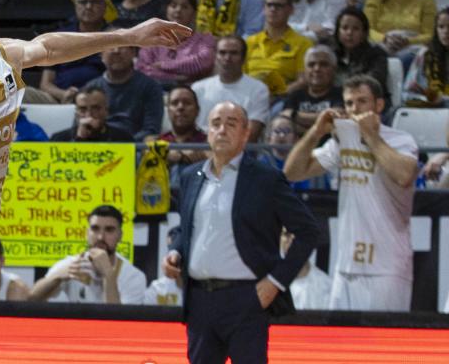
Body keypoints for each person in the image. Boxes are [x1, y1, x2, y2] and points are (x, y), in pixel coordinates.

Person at [163, 102, 318, 364]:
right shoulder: (190, 176)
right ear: (207, 132)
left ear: (246, 133)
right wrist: (176, 250)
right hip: (199, 299)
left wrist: (276, 282)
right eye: (215, 124)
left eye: (231, 124)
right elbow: (187, 228)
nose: (222, 130)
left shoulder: (265, 179)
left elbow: (308, 231)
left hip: (246, 298)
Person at [284, 76, 418, 311]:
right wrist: (316, 132)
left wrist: (371, 136)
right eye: (349, 103)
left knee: (385, 343)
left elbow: (404, 175)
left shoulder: (401, 140)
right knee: (342, 343)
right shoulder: (342, 142)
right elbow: (292, 172)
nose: (355, 109)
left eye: (362, 101)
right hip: (345, 265)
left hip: (386, 267)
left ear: (379, 105)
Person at [30, 205, 146, 305]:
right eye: (95, 229)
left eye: (109, 230)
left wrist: (109, 275)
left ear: (120, 236)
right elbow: (31, 300)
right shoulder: (73, 265)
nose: (100, 237)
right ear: (87, 233)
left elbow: (119, 324)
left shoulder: (134, 276)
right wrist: (57, 276)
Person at [37, 0, 109, 102]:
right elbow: (45, 84)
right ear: (75, 6)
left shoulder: (113, 36)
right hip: (58, 98)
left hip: (99, 100)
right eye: (83, 2)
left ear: (105, 6)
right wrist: (64, 94)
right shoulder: (59, 36)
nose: (89, 6)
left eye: (95, 2)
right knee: (23, 94)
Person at [192, 36, 270, 140]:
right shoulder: (198, 88)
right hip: (199, 148)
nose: (227, 58)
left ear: (243, 58)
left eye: (234, 53)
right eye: (222, 53)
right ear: (216, 57)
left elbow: (251, 133)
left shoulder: (259, 89)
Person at [135, 0, 216, 86]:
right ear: (166, 10)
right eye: (173, 6)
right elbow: (142, 69)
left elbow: (203, 62)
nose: (178, 10)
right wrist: (175, 78)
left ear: (194, 14)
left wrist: (163, 65)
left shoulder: (204, 39)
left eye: (185, 7)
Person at [244, 0, 312, 98]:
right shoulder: (249, 42)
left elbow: (303, 81)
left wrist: (277, 94)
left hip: (283, 99)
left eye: (278, 5)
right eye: (269, 5)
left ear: (291, 10)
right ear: (264, 8)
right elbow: (240, 78)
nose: (273, 9)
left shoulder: (303, 44)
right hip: (250, 97)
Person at [84, 45, 163, 140]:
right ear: (100, 53)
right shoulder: (90, 88)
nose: (116, 51)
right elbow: (82, 125)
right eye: (112, 45)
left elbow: (151, 129)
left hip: (135, 148)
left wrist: (124, 144)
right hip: (98, 147)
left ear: (133, 52)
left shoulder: (150, 87)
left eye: (122, 46)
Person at [279, 44, 343, 137]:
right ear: (305, 70)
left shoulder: (341, 93)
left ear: (334, 69)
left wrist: (294, 115)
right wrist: (323, 126)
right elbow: (285, 122)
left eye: (323, 64)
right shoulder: (295, 96)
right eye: (311, 65)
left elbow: (336, 117)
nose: (317, 69)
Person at [332, 7, 390, 100]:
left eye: (356, 29)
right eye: (344, 28)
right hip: (336, 103)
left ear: (364, 33)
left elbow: (373, 83)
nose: (349, 33)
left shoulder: (376, 54)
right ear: (337, 32)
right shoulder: (331, 55)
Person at [48, 87, 136, 142]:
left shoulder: (123, 139)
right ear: (76, 113)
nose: (89, 114)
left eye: (96, 108)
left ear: (106, 111)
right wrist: (80, 138)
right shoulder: (59, 139)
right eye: (83, 109)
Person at [154, 86, 209, 174]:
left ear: (197, 110)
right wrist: (182, 156)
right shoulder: (159, 141)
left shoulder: (207, 143)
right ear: (168, 110)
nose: (180, 107)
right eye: (175, 103)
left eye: (187, 103)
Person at [402, 6, 449, 106]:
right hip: (426, 104)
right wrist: (426, 97)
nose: (445, 32)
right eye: (441, 27)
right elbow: (407, 93)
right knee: (396, 111)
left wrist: (442, 99)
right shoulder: (425, 53)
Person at [281, 230, 332, 310]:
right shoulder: (268, 286)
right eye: (287, 235)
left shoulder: (327, 287)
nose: (292, 241)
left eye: (298, 235)